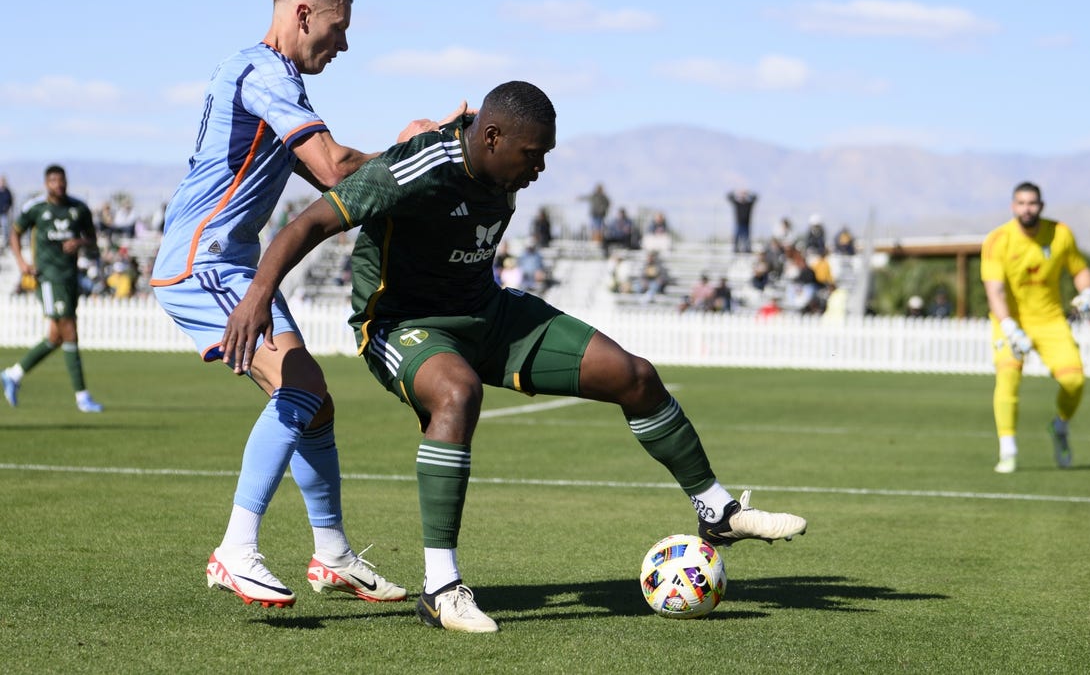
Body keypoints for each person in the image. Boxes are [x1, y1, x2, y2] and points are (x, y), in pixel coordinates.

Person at [220, 81, 807, 633]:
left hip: (489, 314)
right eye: (533, 154)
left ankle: (716, 510)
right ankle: (441, 588)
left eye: (546, 154)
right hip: (400, 327)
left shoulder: (503, 164)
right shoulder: (419, 168)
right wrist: (257, 297)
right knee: (457, 394)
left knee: (635, 376)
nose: (540, 167)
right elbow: (311, 222)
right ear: (494, 138)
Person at [149, 0, 464, 609]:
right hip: (203, 261)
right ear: (302, 13)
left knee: (313, 402)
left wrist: (415, 152)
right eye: (339, 26)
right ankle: (236, 549)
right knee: (300, 386)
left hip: (231, 262)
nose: (345, 43)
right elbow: (336, 161)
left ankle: (333, 555)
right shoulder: (265, 75)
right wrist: (430, 148)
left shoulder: (265, 76)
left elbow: (329, 175)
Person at [980, 181, 1090, 474]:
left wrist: (1088, 293)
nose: (1026, 209)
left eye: (1032, 203)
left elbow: (1080, 269)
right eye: (1021, 203)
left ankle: (1059, 426)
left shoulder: (1060, 233)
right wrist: (1009, 327)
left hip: (1051, 321)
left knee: (1075, 382)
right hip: (1010, 322)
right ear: (1012, 206)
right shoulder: (998, 240)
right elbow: (994, 290)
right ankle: (1008, 449)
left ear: (1041, 206)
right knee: (1008, 379)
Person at [2, 164, 104, 413]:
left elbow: (93, 241)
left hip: (70, 277)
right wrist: (22, 263)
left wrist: (79, 242)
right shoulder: (36, 208)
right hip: (48, 277)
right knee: (69, 331)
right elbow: (15, 233)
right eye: (53, 180)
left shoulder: (78, 209)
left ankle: (13, 374)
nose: (58, 184)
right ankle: (82, 397)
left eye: (62, 180)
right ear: (46, 183)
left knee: (55, 337)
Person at [579, 182, 610, 246]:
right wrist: (579, 198)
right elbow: (586, 197)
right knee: (593, 228)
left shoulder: (604, 197)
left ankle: (599, 241)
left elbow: (608, 203)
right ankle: (594, 241)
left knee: (599, 228)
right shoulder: (594, 195)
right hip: (594, 214)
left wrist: (603, 209)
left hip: (601, 215)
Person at [0, 175, 13, 250]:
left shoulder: (7, 191)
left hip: (4, 213)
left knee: (5, 227)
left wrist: (7, 208)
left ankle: (5, 243)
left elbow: (10, 201)